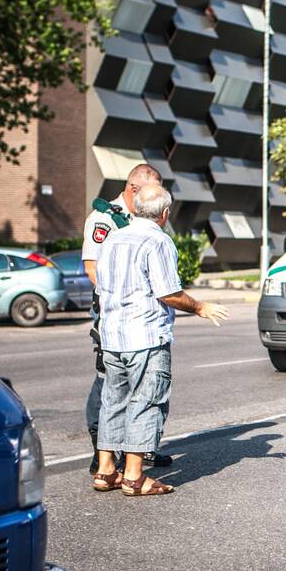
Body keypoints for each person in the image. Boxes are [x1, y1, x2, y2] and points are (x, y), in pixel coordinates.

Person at [91, 185, 228, 496]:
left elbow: (100, 285)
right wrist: (200, 307)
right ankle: (134, 477)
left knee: (112, 402)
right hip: (145, 336)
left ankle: (106, 471)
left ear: (135, 208)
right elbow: (167, 292)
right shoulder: (158, 240)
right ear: (165, 214)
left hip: (111, 336)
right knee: (147, 401)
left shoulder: (112, 239)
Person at [80, 163, 171, 474]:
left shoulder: (143, 215)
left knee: (144, 383)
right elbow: (93, 268)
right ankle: (102, 451)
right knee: (109, 379)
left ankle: (139, 448)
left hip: (143, 315)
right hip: (115, 310)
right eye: (153, 192)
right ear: (134, 189)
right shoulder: (105, 218)